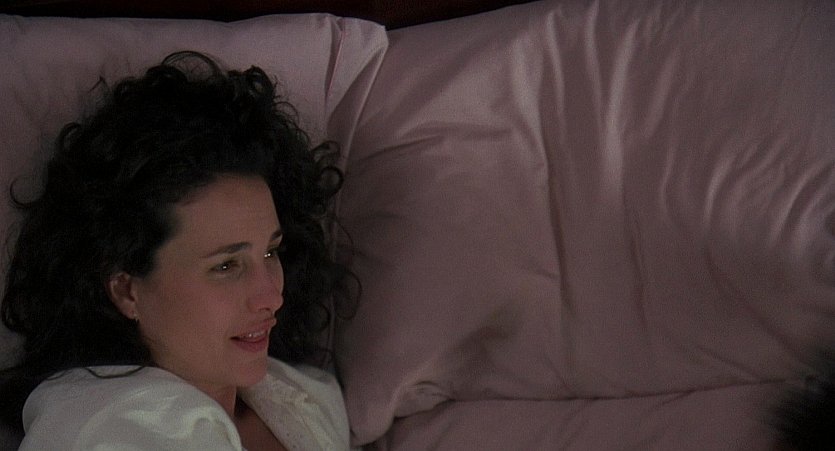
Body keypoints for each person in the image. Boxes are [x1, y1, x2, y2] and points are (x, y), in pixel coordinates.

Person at [0, 51, 355, 450]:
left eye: (270, 252)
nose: (271, 296)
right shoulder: (107, 433)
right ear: (127, 290)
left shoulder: (302, 396)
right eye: (226, 266)